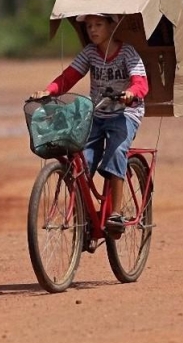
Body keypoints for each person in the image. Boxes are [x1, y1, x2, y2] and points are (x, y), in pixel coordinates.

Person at [30, 13, 148, 232]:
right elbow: (69, 76)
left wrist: (131, 93)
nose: (93, 30)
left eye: (98, 24)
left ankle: (116, 214)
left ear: (112, 26)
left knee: (117, 150)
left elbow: (140, 82)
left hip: (125, 113)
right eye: (89, 26)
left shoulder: (128, 53)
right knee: (83, 159)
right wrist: (49, 91)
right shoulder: (90, 53)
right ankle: (84, 215)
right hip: (97, 113)